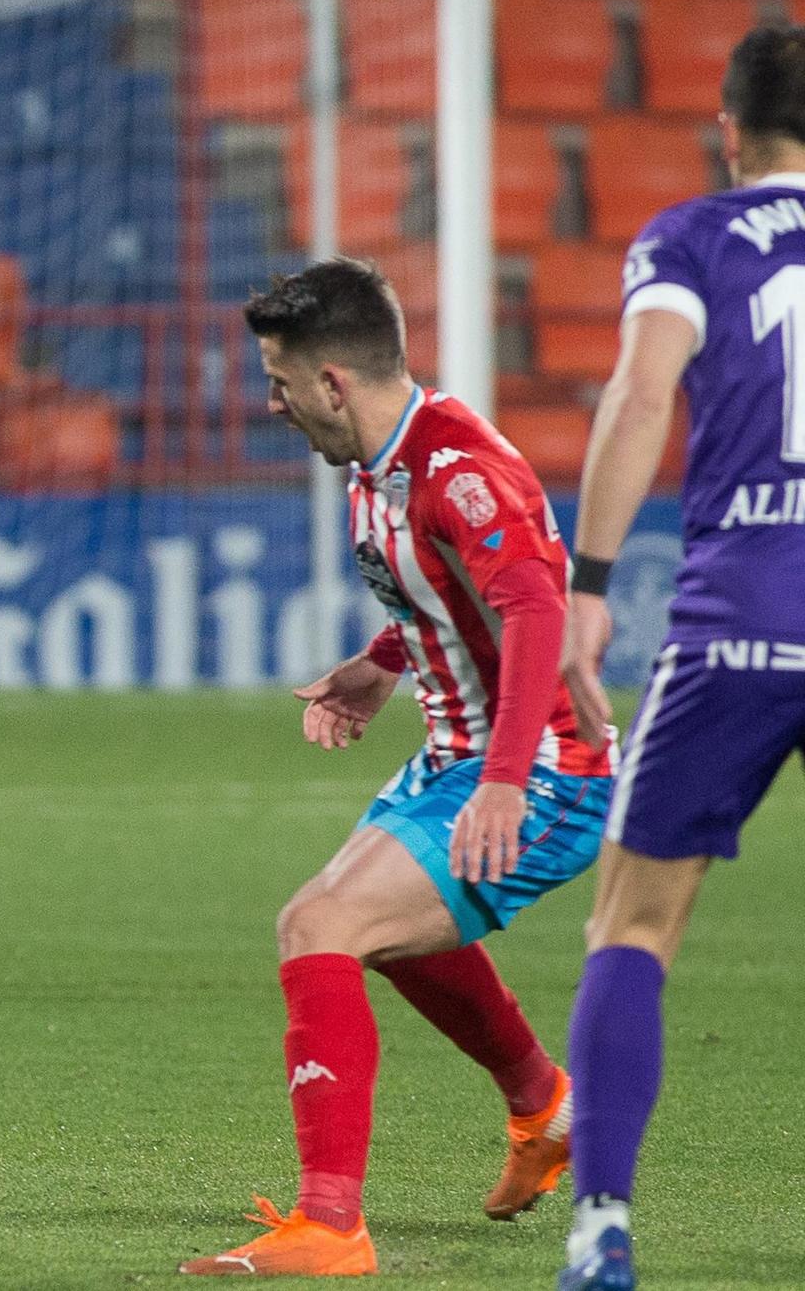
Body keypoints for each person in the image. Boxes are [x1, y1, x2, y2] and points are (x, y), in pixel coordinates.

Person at [179, 259, 617, 1277]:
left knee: (319, 925)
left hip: (540, 770)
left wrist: (505, 780)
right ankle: (544, 1106)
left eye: (280, 385)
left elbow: (535, 609)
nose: (273, 405)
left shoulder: (455, 468)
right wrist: (377, 669)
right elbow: (437, 598)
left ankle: (330, 1225)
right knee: (373, 927)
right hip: (455, 753)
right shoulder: (377, 464)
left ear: (332, 383)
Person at [555, 25, 805, 1291]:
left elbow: (640, 395)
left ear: (725, 125)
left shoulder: (689, 238)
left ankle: (600, 1221)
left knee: (632, 924)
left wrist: (587, 588)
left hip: (742, 609)